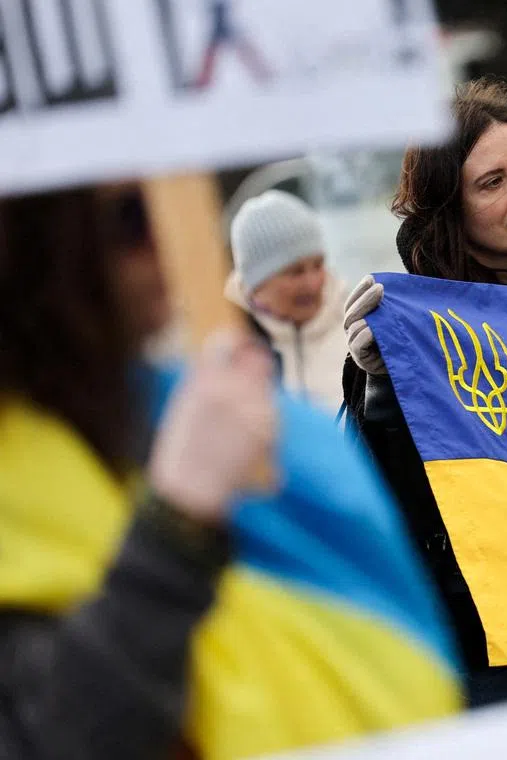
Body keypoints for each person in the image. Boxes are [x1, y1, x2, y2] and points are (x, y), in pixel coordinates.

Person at [0, 185, 459, 758]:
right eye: (133, 217)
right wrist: (177, 526)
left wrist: (382, 389)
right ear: (37, 242)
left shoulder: (190, 396)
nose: (167, 240)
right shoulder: (201, 371)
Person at [343, 79, 507, 706]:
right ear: (448, 207)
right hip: (476, 655)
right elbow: (386, 502)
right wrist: (383, 393)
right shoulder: (395, 332)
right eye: (492, 182)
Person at [227, 189, 349, 412]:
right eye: (295, 272)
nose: (313, 283)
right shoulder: (231, 349)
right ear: (256, 284)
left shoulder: (358, 335)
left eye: (318, 265)